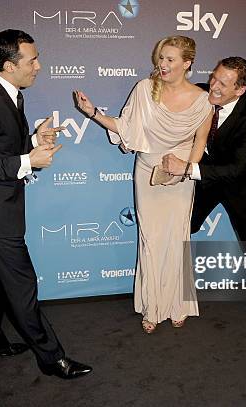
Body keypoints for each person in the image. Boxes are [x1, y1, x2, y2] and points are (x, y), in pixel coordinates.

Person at [0, 29, 92, 378]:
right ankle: (52, 358)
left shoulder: (8, 94)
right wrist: (29, 161)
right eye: (31, 60)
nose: (39, 66)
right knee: (22, 286)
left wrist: (34, 140)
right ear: (8, 65)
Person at [75, 36, 213, 333]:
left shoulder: (203, 100)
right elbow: (125, 128)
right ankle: (152, 306)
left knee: (177, 239)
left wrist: (187, 170)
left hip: (180, 177)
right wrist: (93, 113)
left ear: (187, 63)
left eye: (170, 59)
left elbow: (200, 141)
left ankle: (177, 303)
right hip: (148, 172)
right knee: (151, 240)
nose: (162, 64)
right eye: (160, 58)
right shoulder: (144, 90)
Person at [162, 57, 246, 333]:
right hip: (207, 180)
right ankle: (164, 297)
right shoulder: (201, 93)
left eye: (222, 84)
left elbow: (238, 168)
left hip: (244, 187)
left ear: (240, 90)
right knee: (176, 228)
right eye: (213, 77)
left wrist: (188, 169)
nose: (213, 86)